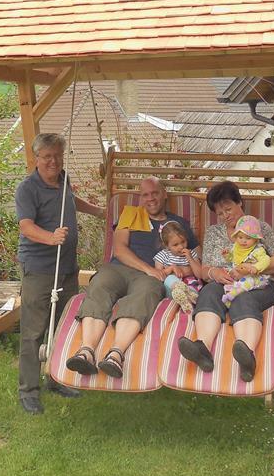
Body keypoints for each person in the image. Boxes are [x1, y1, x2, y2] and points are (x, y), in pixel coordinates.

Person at [66, 176, 198, 378]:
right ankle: (86, 351)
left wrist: (176, 270)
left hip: (152, 277)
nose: (150, 198)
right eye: (145, 195)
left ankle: (115, 354)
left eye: (155, 193)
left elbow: (196, 258)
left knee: (143, 296)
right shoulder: (131, 215)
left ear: (164, 194)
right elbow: (119, 249)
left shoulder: (178, 223)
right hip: (119, 269)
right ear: (140, 198)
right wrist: (148, 268)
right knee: (99, 285)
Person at [15, 133, 105, 415]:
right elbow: (26, 226)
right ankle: (28, 391)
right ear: (37, 159)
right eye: (47, 157)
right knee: (34, 331)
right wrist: (50, 238)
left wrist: (98, 211)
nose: (53, 161)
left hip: (66, 268)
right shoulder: (27, 189)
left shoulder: (63, 178)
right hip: (40, 270)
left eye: (57, 155)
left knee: (62, 328)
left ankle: (55, 379)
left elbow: (70, 200)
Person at [176, 181, 274, 383]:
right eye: (220, 213)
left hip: (257, 283)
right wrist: (214, 273)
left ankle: (247, 356)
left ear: (239, 202)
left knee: (243, 300)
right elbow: (204, 269)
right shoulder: (213, 232)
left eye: (228, 209)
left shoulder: (259, 227)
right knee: (208, 292)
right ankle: (202, 349)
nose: (225, 216)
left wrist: (251, 268)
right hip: (223, 283)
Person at [222, 215, 271, 309]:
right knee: (229, 280)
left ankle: (233, 294)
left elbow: (266, 260)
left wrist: (256, 267)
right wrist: (227, 255)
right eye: (240, 237)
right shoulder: (236, 247)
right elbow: (233, 259)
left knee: (248, 281)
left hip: (255, 277)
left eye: (248, 238)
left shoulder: (257, 250)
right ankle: (229, 300)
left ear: (256, 239)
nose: (243, 241)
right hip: (238, 276)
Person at [154, 220, 203, 314]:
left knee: (193, 288)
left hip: (191, 285)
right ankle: (180, 290)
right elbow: (158, 276)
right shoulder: (163, 255)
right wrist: (171, 268)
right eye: (175, 245)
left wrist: (190, 258)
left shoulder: (191, 254)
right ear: (166, 245)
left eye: (183, 242)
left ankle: (188, 301)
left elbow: (200, 274)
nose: (181, 247)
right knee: (170, 278)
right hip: (172, 289)